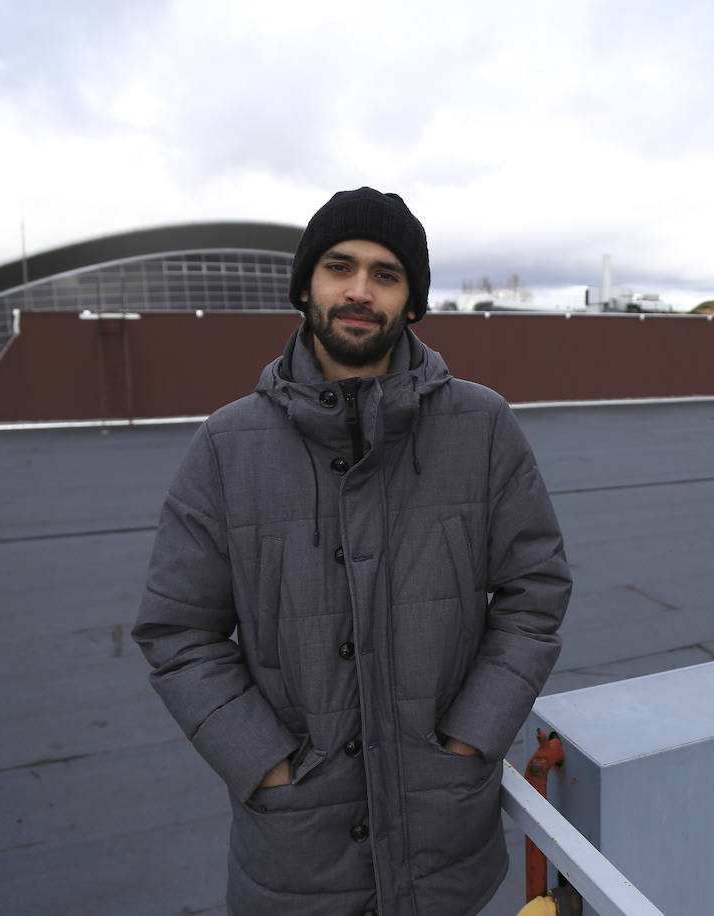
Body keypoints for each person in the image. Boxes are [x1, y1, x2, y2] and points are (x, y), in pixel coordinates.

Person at [133, 187, 572, 916]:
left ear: (411, 300)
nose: (360, 291)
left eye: (387, 274)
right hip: (297, 855)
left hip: (444, 845)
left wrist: (469, 738)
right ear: (306, 285)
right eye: (340, 267)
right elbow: (177, 630)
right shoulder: (225, 446)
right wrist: (265, 765)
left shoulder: (483, 427)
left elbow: (536, 593)